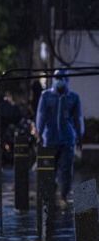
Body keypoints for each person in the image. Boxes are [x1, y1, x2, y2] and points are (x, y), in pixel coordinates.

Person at [36, 69, 84, 209]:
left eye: (62, 78)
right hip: (49, 139)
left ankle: (64, 195)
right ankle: (49, 196)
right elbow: (41, 116)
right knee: (50, 169)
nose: (60, 80)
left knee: (66, 169)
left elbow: (78, 118)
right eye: (57, 77)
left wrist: (80, 136)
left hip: (67, 139)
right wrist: (39, 133)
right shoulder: (46, 96)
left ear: (67, 80)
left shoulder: (73, 97)